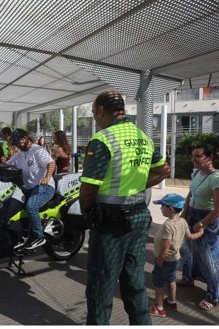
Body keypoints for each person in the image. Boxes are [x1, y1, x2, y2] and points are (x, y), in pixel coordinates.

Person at [79, 90, 171, 325]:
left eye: (93, 113)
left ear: (101, 111)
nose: (95, 119)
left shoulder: (102, 140)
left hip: (111, 222)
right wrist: (140, 185)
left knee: (101, 285)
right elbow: (163, 170)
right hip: (140, 216)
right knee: (135, 282)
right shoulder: (143, 137)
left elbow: (88, 190)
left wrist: (86, 214)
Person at [177, 143, 219, 311]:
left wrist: (202, 223)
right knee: (189, 250)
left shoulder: (216, 178)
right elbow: (190, 194)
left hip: (206, 220)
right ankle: (188, 278)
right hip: (192, 215)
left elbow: (218, 209)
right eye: (192, 155)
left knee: (209, 258)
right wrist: (185, 212)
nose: (193, 159)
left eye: (198, 156)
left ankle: (213, 294)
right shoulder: (197, 173)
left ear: (209, 157)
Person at [150, 193, 204, 317]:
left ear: (171, 209)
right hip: (175, 259)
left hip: (165, 259)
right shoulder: (183, 221)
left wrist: (160, 258)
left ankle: (159, 308)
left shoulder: (168, 225)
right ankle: (171, 301)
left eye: (162, 206)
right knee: (171, 280)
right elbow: (190, 237)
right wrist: (200, 233)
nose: (160, 208)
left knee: (159, 283)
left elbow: (166, 244)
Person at [6, 129, 55, 249]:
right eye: (17, 143)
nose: (18, 145)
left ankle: (38, 236)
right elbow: (6, 165)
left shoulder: (37, 150)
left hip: (43, 187)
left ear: (26, 138)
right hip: (27, 188)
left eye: (19, 142)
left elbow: (51, 163)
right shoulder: (19, 154)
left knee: (31, 206)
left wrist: (47, 177)